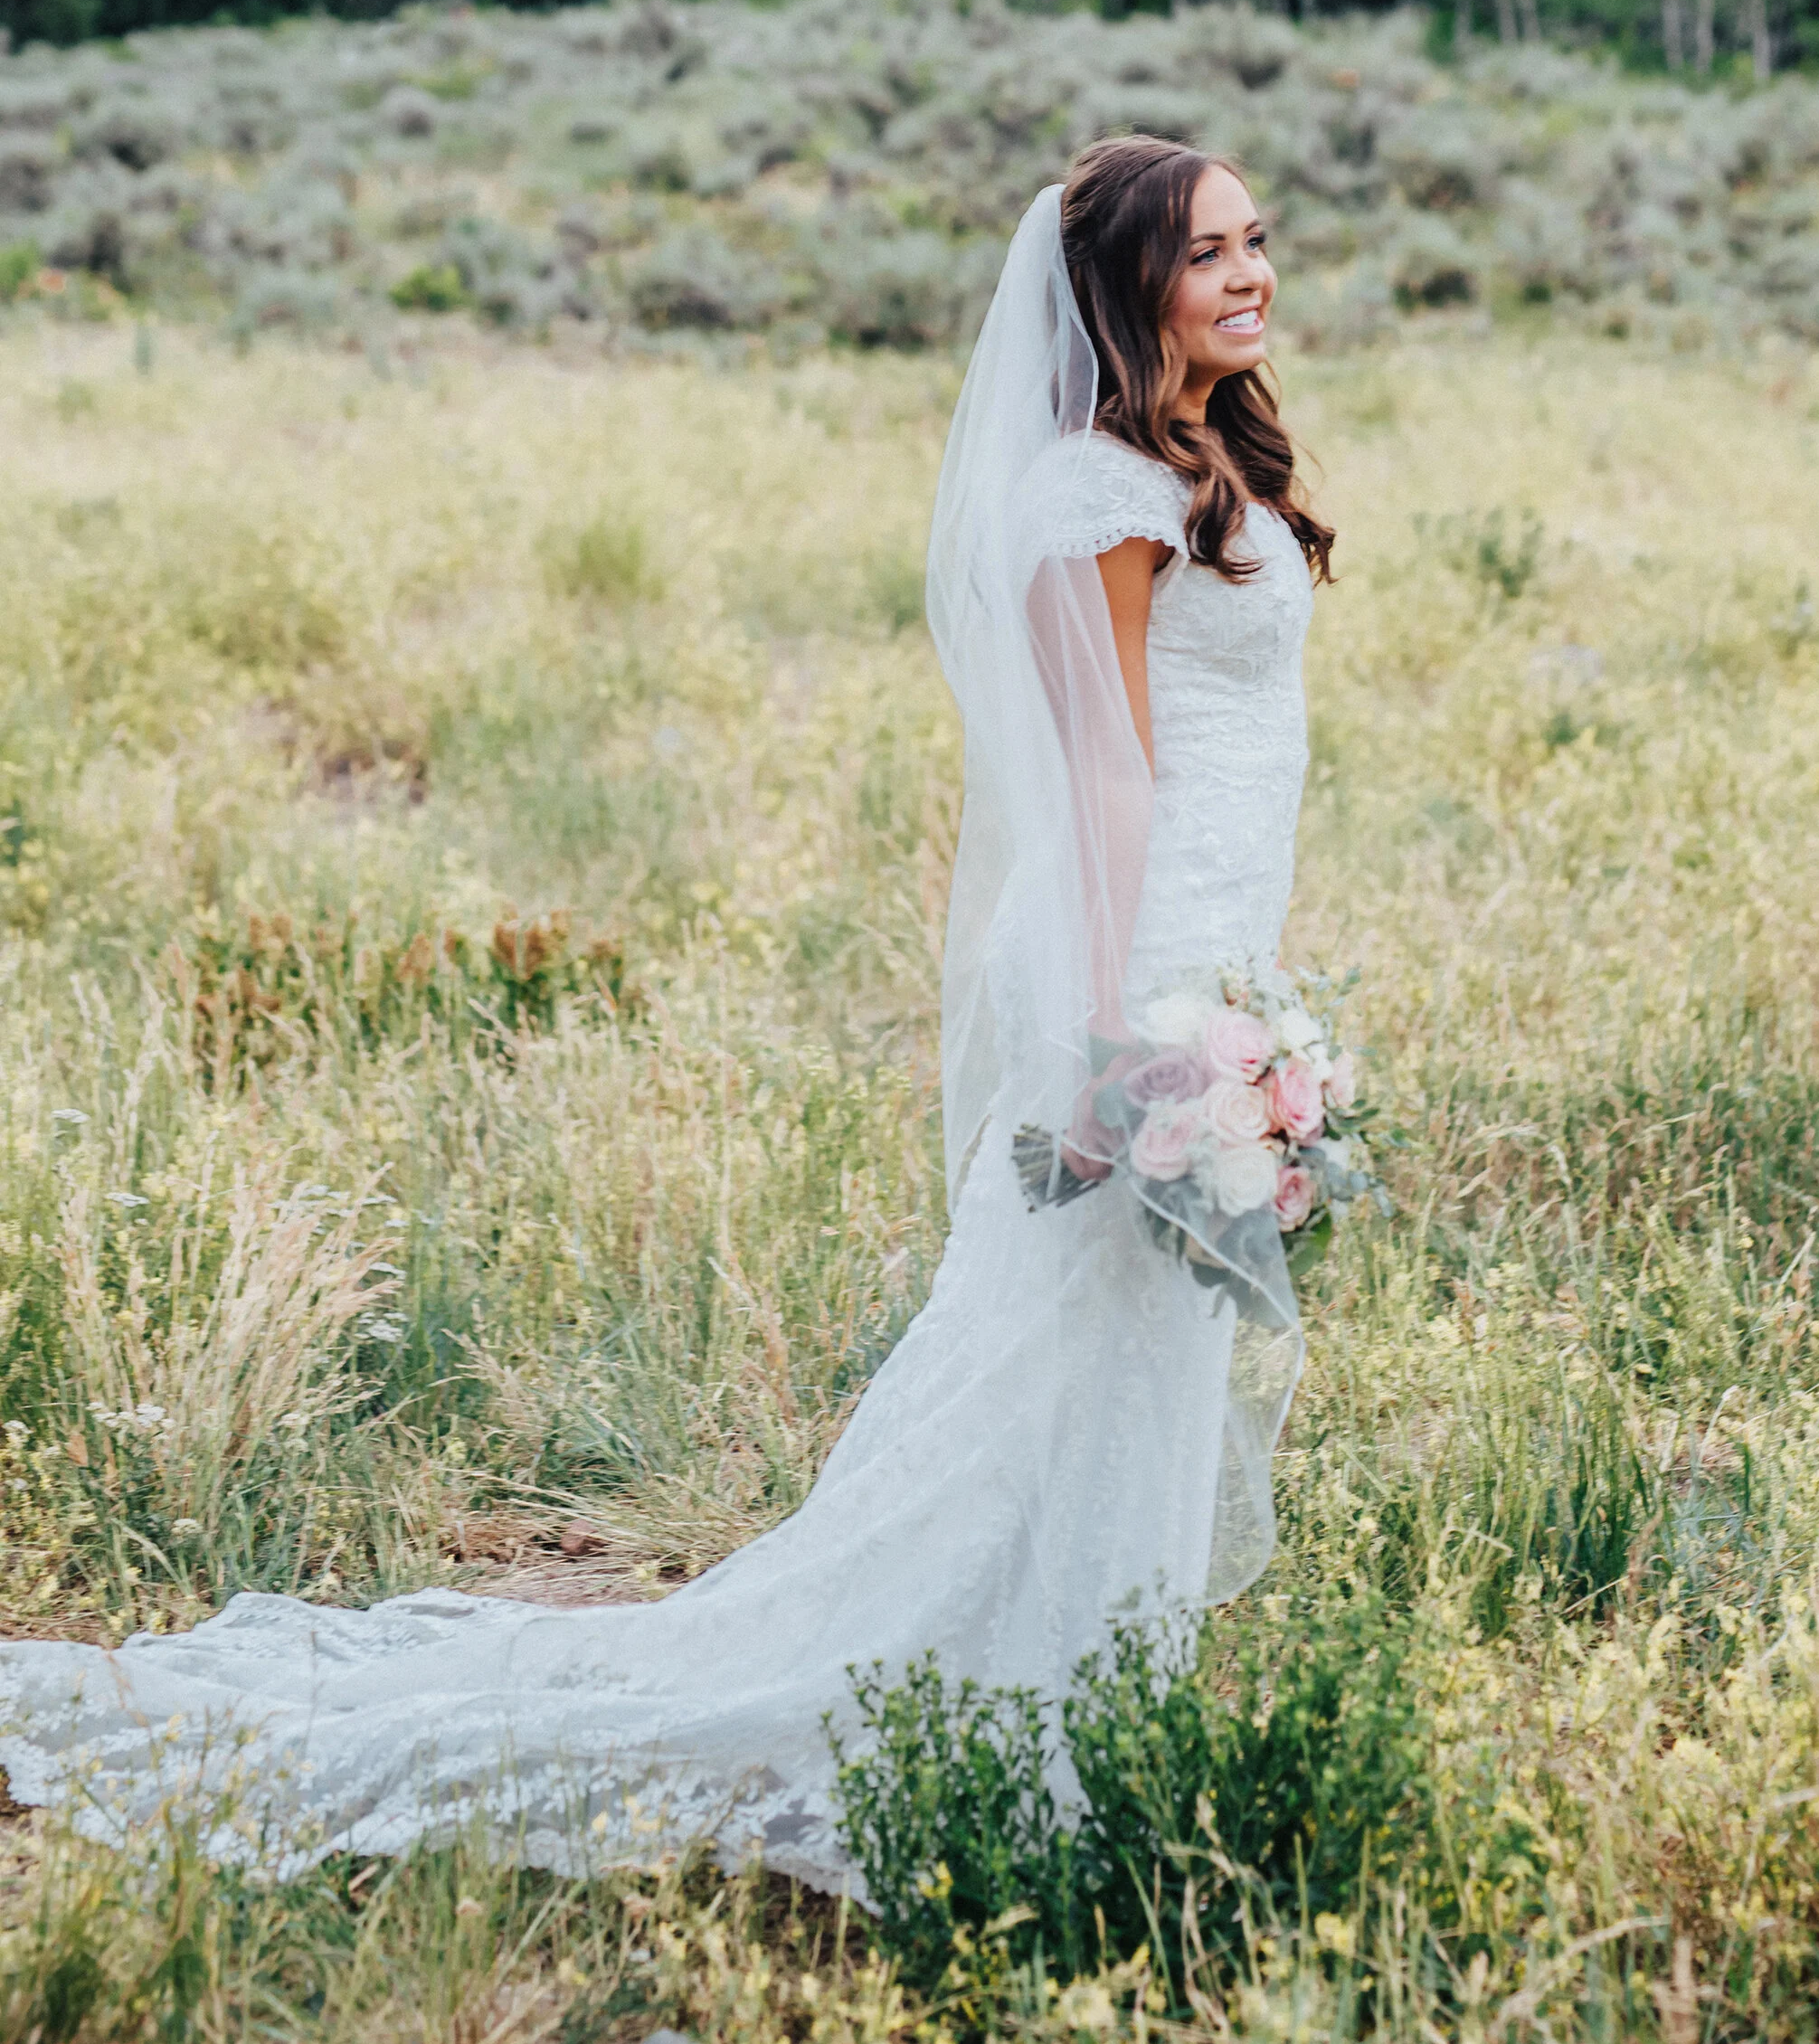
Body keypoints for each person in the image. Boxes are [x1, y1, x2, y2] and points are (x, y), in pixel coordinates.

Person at [0, 137, 1332, 1888]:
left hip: (1206, 951)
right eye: (1210, 254)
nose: (1251, 276)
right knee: (1058, 1347)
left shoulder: (1205, 456)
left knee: (1134, 1352)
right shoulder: (1099, 494)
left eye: (1260, 243)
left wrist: (1239, 995)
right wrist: (1122, 1032)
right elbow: (1103, 780)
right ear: (1127, 285)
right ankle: (1003, 1715)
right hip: (1130, 954)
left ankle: (1078, 1693)